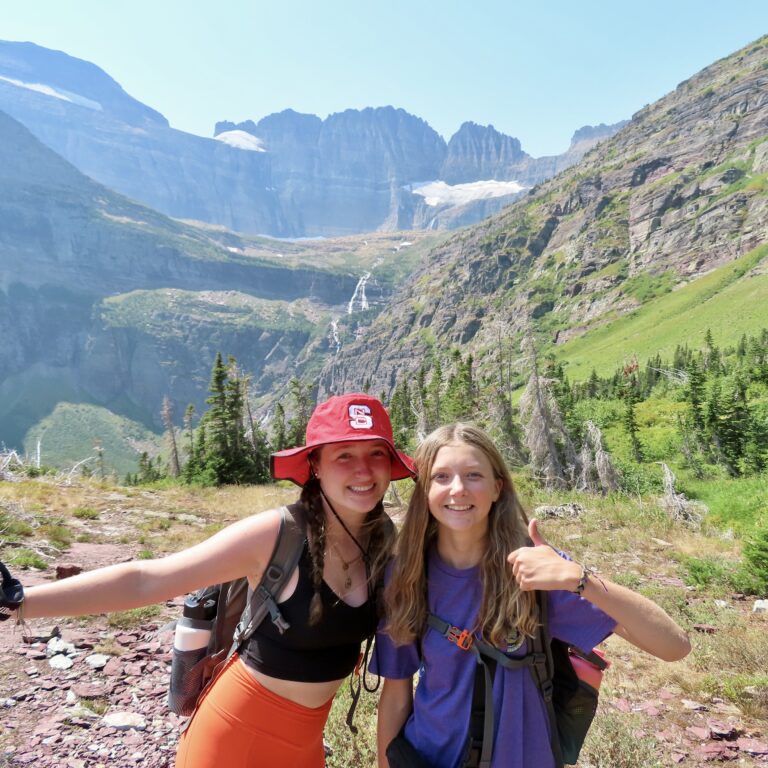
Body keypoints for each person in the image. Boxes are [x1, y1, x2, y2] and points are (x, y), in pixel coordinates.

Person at [0, 393, 415, 768]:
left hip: (306, 744)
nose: (363, 469)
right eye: (344, 454)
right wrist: (21, 600)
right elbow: (147, 579)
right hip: (233, 736)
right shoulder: (276, 534)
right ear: (314, 466)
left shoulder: (383, 540)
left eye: (376, 453)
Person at [373, 423, 691, 768]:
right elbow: (396, 693)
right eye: (442, 477)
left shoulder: (537, 570)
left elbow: (674, 646)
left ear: (497, 488)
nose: (459, 489)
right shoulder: (406, 574)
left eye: (474, 475)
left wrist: (579, 579)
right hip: (427, 758)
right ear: (423, 490)